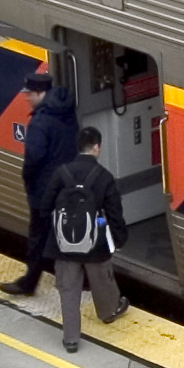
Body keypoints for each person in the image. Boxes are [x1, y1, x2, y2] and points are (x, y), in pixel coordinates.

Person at [44, 125, 125, 354]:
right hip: (94, 243)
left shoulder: (61, 173)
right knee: (101, 280)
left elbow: (45, 205)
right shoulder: (104, 178)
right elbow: (114, 213)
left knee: (68, 289)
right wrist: (119, 239)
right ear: (96, 147)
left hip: (63, 244)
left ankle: (71, 339)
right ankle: (108, 312)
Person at [4, 68, 79, 297]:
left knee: (38, 236)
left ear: (39, 93)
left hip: (45, 189)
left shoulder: (40, 122)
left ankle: (29, 283)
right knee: (66, 234)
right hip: (67, 183)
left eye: (29, 94)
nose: (26, 98)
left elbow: (33, 157)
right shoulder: (67, 112)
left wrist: (27, 178)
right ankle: (78, 279)